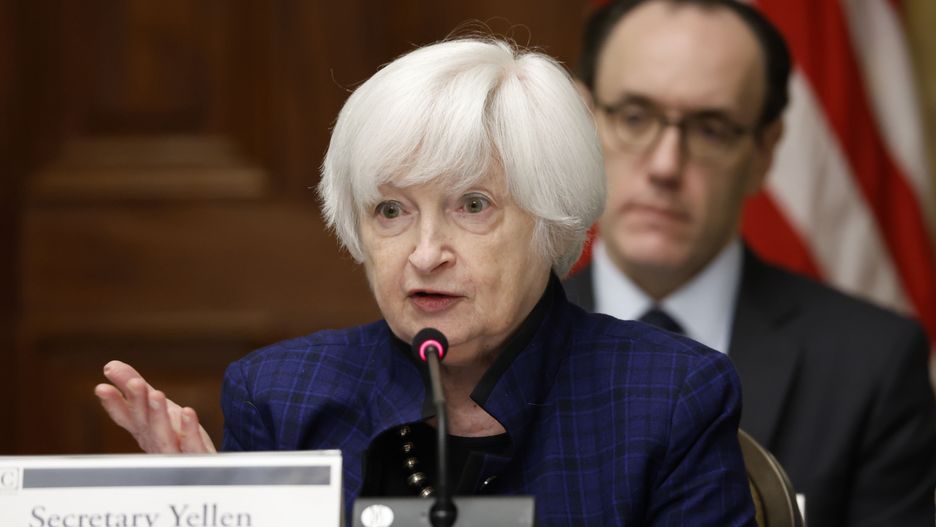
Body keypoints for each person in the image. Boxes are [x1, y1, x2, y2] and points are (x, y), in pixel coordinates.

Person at [95, 37, 757, 525]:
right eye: (391, 211)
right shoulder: (280, 398)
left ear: (552, 220)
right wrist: (210, 513)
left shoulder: (668, 397)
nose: (425, 253)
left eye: (473, 205)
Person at [565, 1, 936, 525]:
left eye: (711, 129)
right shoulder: (495, 342)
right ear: (583, 121)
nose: (666, 165)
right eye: (634, 117)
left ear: (764, 152)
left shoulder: (872, 366)